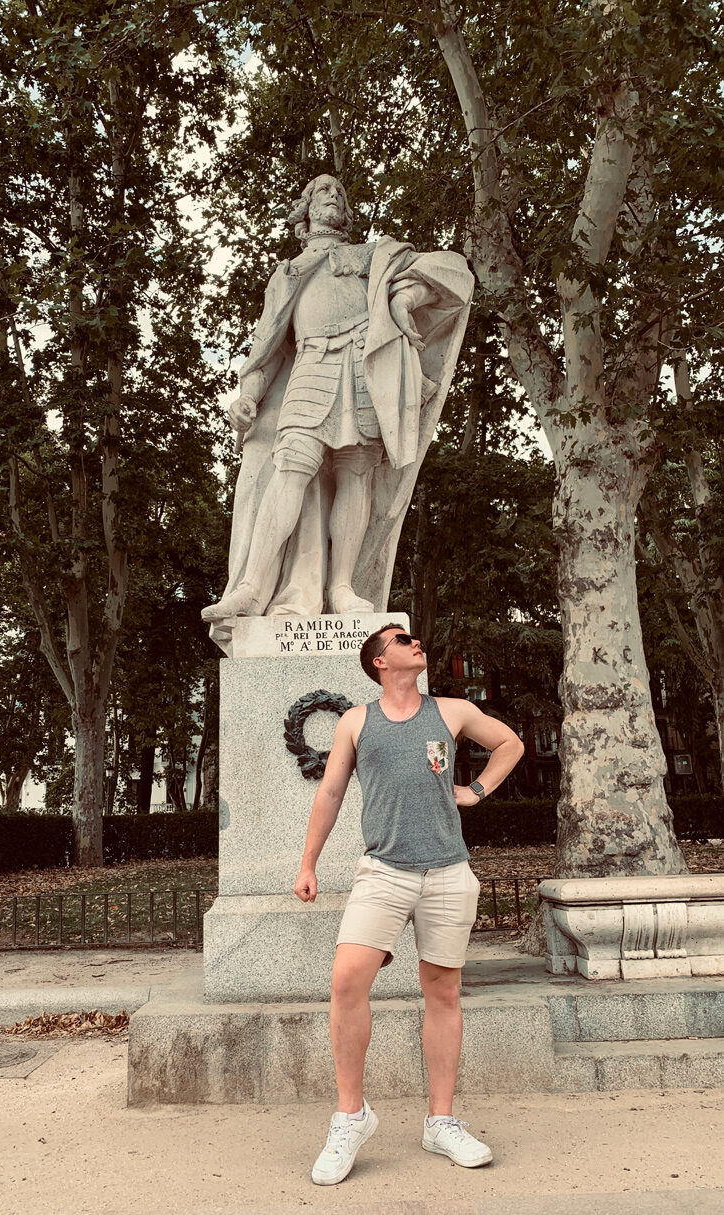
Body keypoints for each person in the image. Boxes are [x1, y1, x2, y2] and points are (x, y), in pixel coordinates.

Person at [293, 623, 525, 1185]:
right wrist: (308, 862)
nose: (417, 642)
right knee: (348, 978)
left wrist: (476, 791)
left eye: (415, 638)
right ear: (379, 661)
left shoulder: (451, 711)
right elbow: (330, 792)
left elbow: (511, 744)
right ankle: (351, 1117)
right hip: (384, 871)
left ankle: (441, 1122)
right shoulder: (356, 721)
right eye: (403, 639)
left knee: (442, 991)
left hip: (448, 872)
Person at [202, 175, 473, 650]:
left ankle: (342, 588)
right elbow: (266, 346)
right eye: (322, 191)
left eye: (339, 194)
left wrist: (404, 297)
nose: (333, 196)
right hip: (310, 365)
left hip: (363, 368)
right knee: (291, 466)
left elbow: (449, 271)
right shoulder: (287, 273)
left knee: (356, 473)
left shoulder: (373, 256)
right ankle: (251, 588)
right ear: (304, 210)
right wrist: (249, 395)